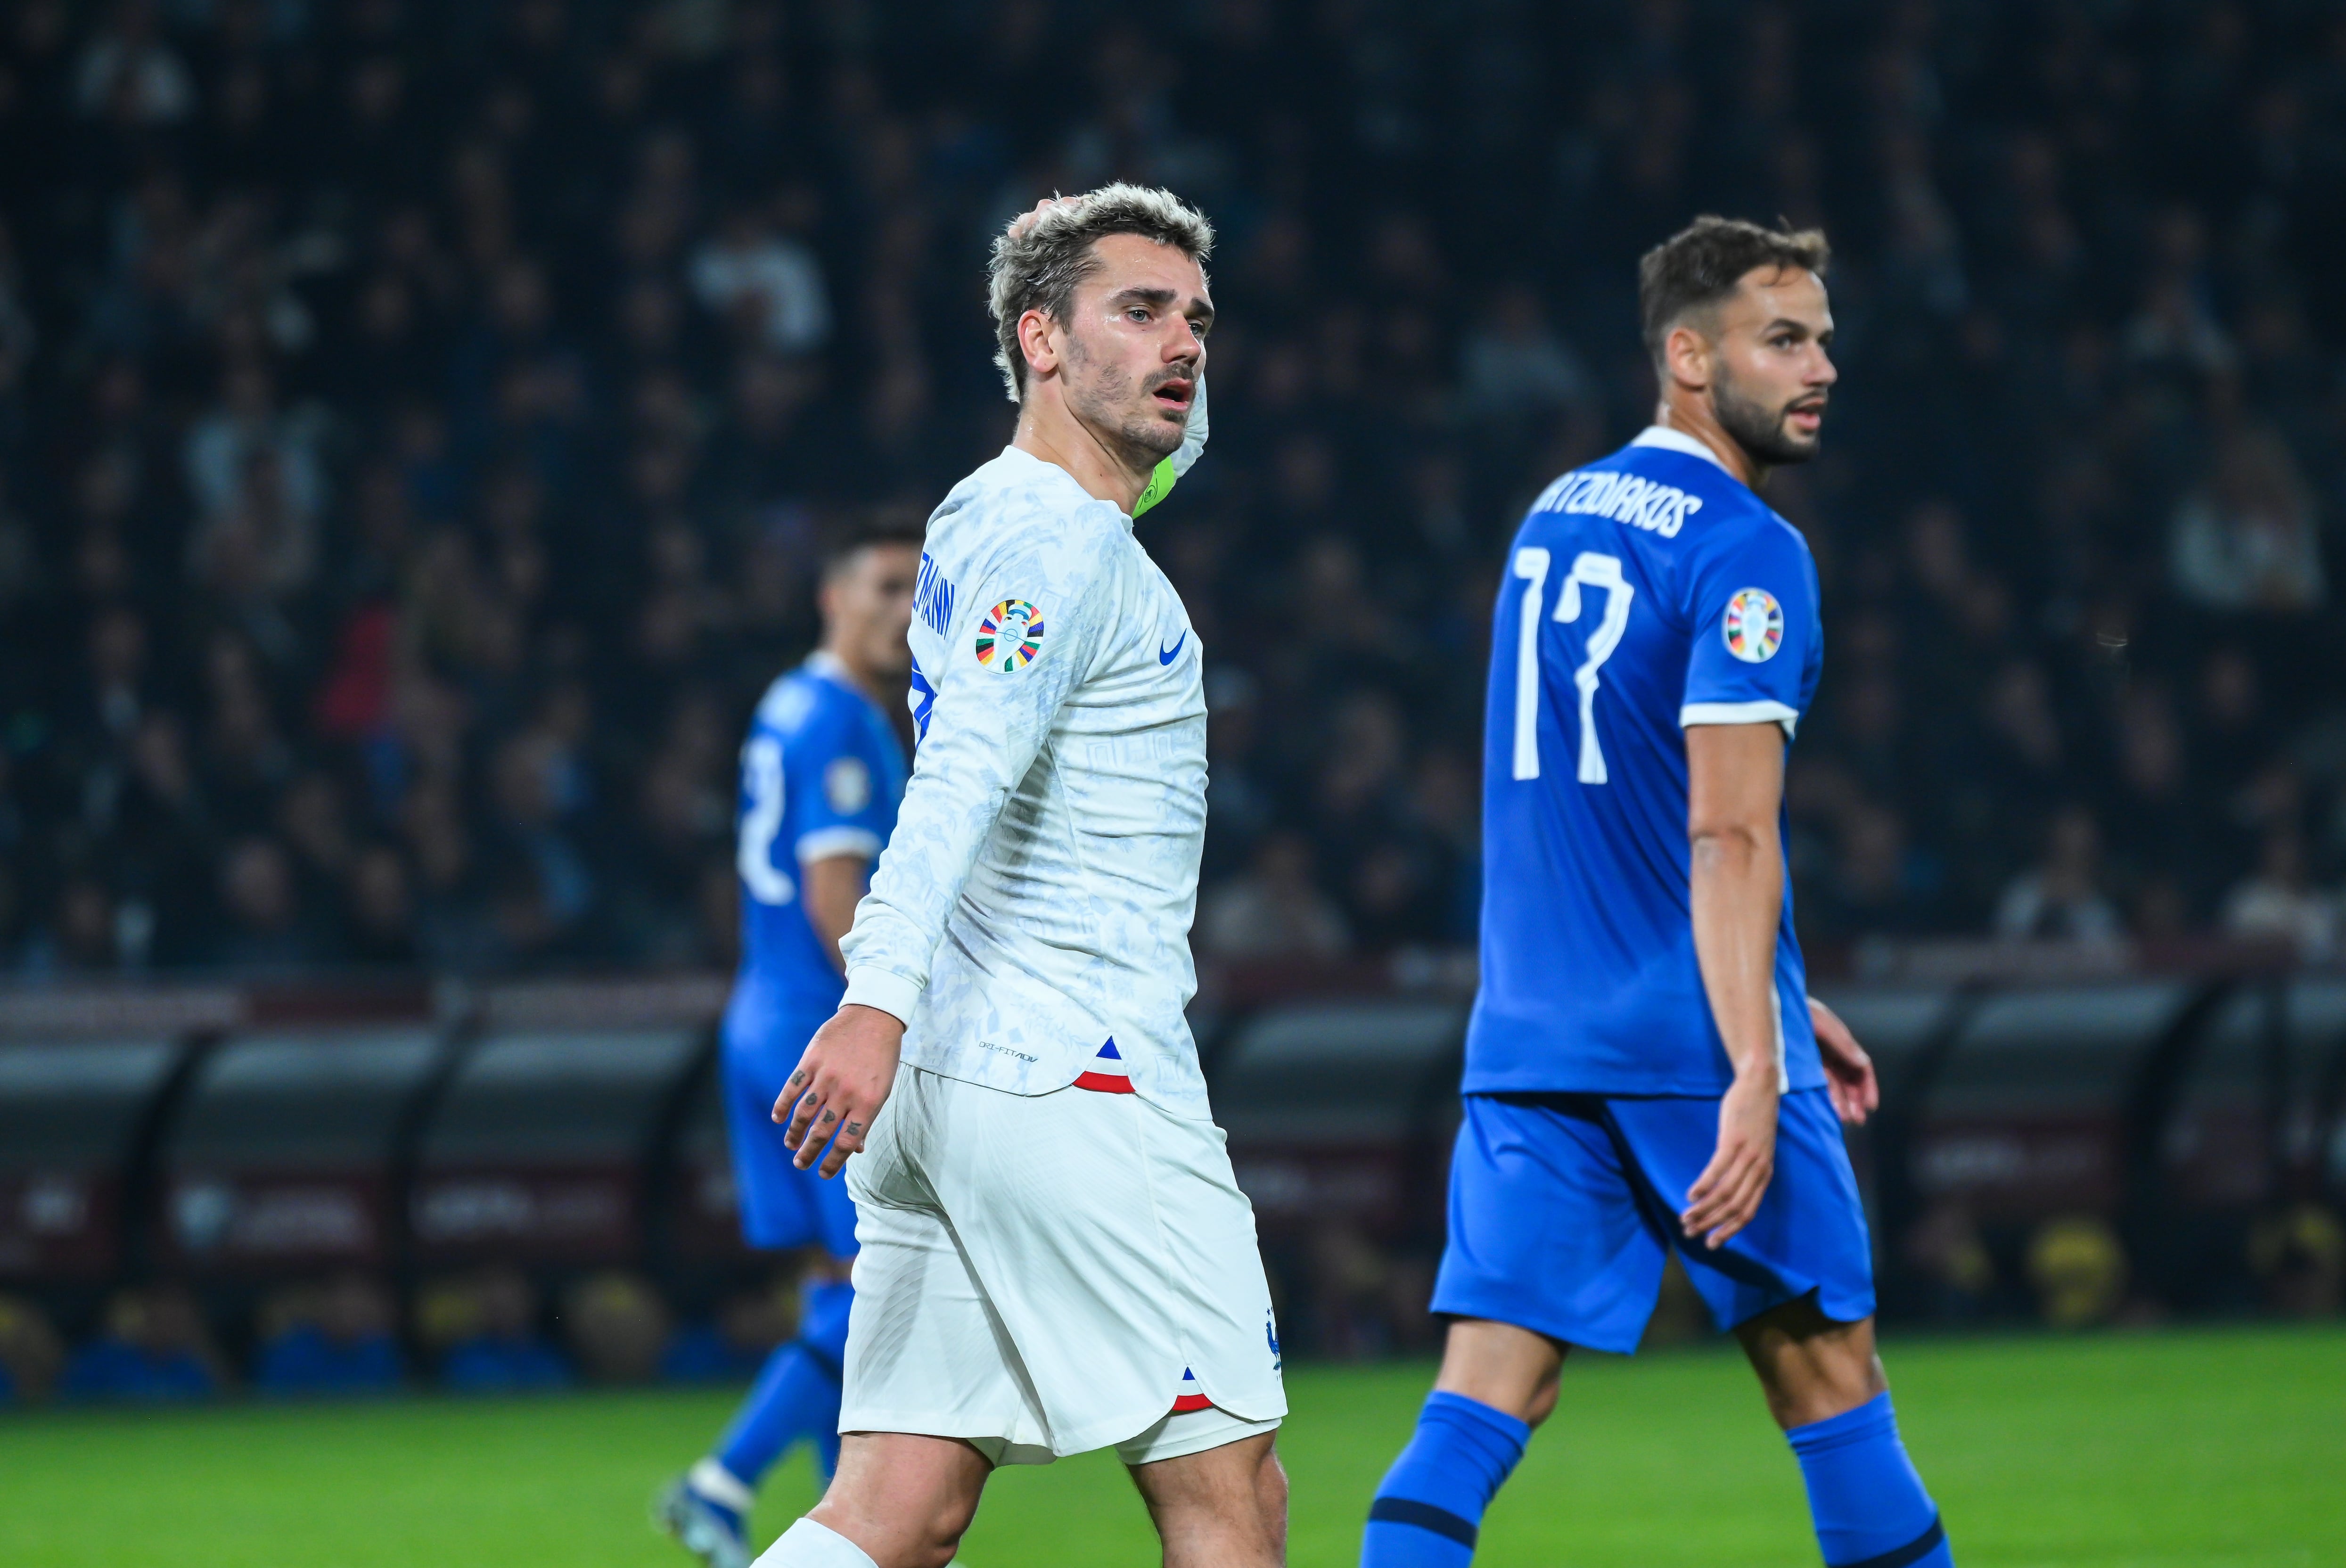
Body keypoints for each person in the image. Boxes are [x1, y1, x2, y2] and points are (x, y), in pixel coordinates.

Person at [1359, 216, 1955, 1568]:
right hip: (1688, 1045)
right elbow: (1725, 835)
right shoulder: (1749, 549)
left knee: (1482, 1399)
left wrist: (1795, 995)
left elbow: (1605, 803)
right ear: (1689, 357)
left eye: (1825, 340)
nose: (1822, 369)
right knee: (1832, 1388)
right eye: (1784, 341)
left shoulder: (1553, 513)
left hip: (1529, 1037)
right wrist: (1758, 1053)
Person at [751, 184, 1286, 1568]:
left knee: (895, 1514)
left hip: (957, 1087)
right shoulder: (1061, 549)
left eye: (1199, 321)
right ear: (1042, 341)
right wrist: (870, 998)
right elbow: (962, 775)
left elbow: (1170, 434)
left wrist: (1113, 236)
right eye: (1143, 312)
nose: (1187, 347)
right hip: (1075, 1073)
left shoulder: (994, 506)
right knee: (1232, 1499)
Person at [659, 519, 919, 1568]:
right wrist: (890, 1006)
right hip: (823, 1030)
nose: (904, 611)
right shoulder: (843, 723)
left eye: (917, 589)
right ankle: (722, 1480)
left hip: (761, 1018)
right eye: (884, 586)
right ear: (832, 597)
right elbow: (832, 894)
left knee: (833, 1278)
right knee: (883, 1282)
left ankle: (833, 1518)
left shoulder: (785, 703)